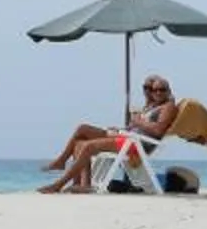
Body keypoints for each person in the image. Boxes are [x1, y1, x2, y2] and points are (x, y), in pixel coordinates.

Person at [39, 74, 178, 193]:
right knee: (81, 135)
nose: (157, 92)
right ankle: (81, 183)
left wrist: (138, 121)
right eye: (151, 89)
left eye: (162, 89)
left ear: (168, 90)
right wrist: (122, 128)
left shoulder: (168, 107)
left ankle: (58, 184)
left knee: (87, 146)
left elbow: (158, 130)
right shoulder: (150, 106)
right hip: (128, 137)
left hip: (137, 144)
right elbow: (137, 126)